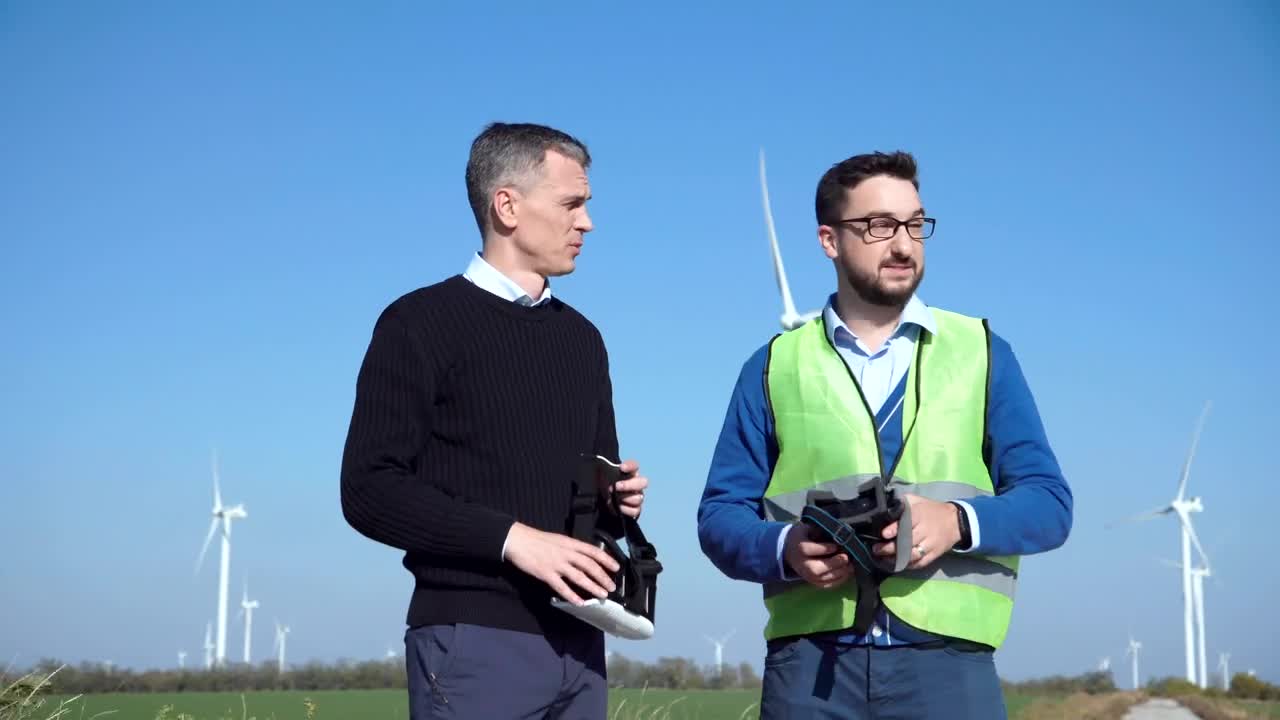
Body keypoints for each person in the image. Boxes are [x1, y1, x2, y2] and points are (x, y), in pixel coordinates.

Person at [696, 150, 1072, 718]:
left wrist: (958, 522)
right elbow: (720, 515)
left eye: (915, 224)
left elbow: (1050, 505)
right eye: (878, 226)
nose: (903, 243)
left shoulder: (984, 353)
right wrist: (786, 549)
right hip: (811, 668)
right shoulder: (773, 366)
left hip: (950, 667)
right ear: (829, 240)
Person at [341, 122, 649, 719]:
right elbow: (368, 488)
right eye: (572, 203)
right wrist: (514, 541)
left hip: (582, 641)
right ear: (507, 205)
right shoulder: (419, 323)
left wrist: (614, 501)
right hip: (472, 641)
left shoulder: (584, 340)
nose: (587, 222)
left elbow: (583, 504)